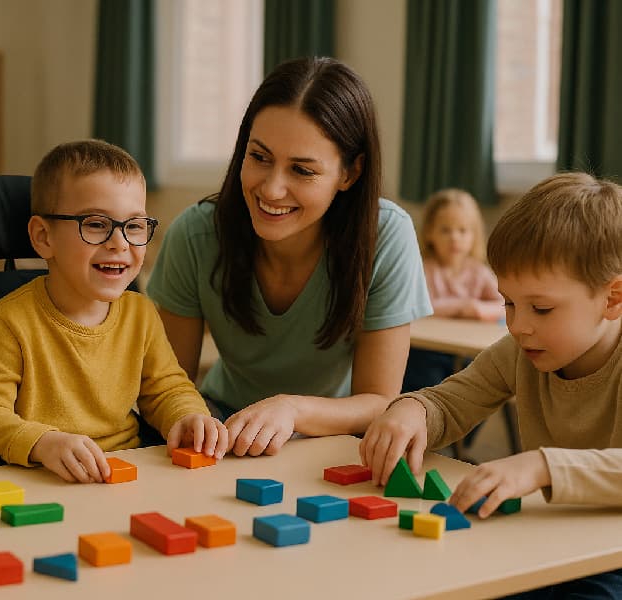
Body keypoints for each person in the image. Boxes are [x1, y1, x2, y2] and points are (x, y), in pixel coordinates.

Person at [146, 57, 432, 457]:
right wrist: (191, 419)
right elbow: (167, 385)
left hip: (329, 440)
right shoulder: (194, 236)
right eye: (259, 157)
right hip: (221, 428)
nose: (271, 189)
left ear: (350, 174)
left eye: (302, 170)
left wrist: (292, 410)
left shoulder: (386, 236)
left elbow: (379, 401)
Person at [360, 172, 622, 597]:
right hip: (543, 542)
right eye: (509, 303)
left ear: (612, 298)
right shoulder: (520, 351)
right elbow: (452, 401)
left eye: (541, 308)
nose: (518, 326)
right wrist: (413, 410)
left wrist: (541, 467)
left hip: (612, 557)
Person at [0, 140, 227, 483]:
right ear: (44, 237)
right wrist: (41, 442)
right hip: (41, 476)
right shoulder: (10, 320)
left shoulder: (140, 314)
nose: (120, 243)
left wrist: (188, 416)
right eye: (97, 224)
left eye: (134, 226)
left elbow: (167, 390)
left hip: (126, 469)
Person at [402, 188, 503, 393]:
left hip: (467, 351)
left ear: (474, 235)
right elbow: (421, 306)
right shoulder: (424, 269)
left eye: (463, 230)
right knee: (428, 384)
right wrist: (462, 306)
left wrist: (478, 309)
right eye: (445, 230)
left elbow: (505, 304)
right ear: (429, 233)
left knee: (478, 384)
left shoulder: (479, 272)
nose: (455, 238)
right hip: (427, 351)